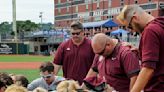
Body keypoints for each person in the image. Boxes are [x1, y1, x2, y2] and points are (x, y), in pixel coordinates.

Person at [117, 5, 164, 92]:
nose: (133, 31)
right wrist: (141, 53)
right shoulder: (160, 25)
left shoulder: (150, 30)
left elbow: (148, 69)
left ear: (135, 18)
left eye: (130, 26)